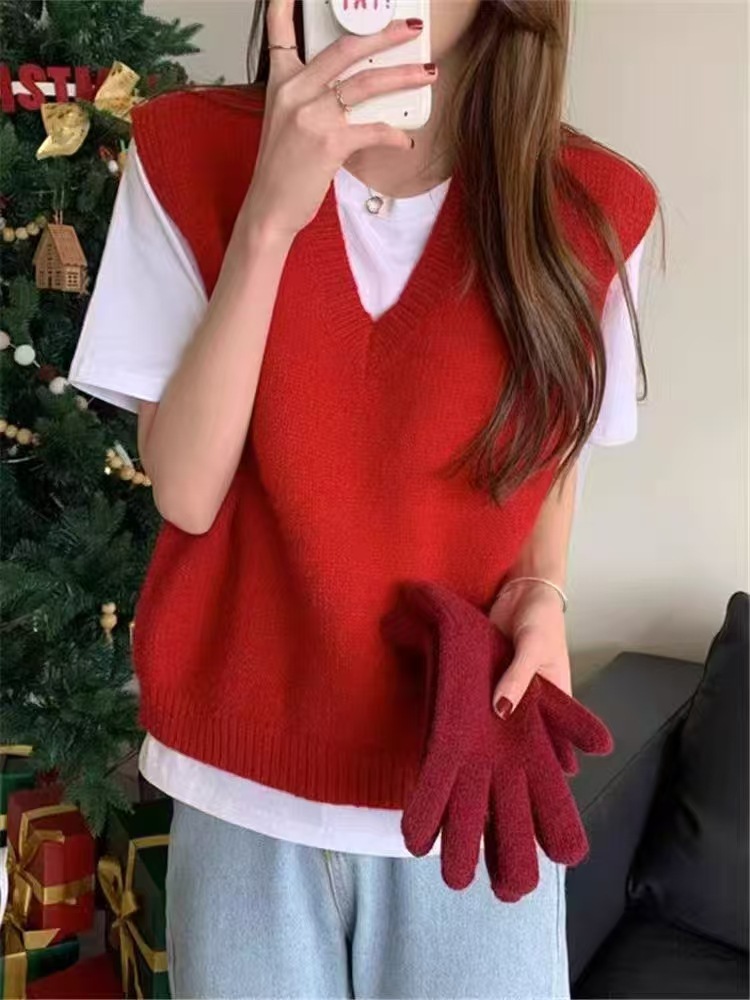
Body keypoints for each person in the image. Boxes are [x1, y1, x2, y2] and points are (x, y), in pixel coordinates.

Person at [69, 1, 659, 996]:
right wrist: (269, 217)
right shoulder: (185, 151)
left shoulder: (595, 205)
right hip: (241, 785)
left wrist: (543, 592)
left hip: (471, 778)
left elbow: (551, 462)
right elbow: (188, 489)